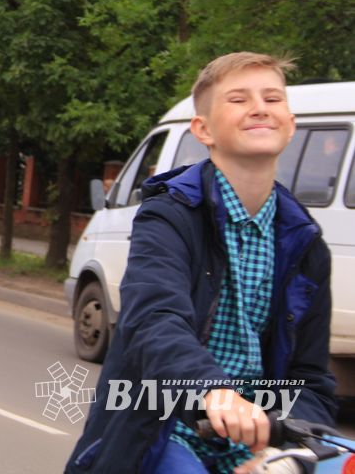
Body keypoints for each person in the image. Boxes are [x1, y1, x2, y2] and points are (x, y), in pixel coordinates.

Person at [66, 52, 336, 474]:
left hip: (255, 443)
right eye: (238, 99)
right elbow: (153, 320)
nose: (260, 107)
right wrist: (214, 392)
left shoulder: (307, 244)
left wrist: (285, 448)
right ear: (203, 129)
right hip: (160, 429)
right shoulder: (168, 216)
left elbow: (312, 378)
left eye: (272, 97)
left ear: (290, 123)